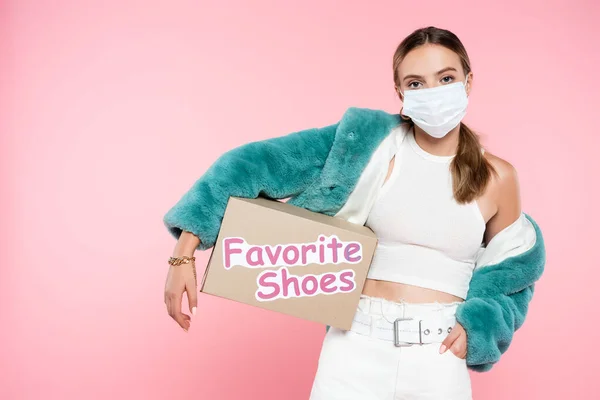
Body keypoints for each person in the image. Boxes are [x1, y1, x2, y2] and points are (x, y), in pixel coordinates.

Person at [162, 26, 546, 400]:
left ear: (467, 81)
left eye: (445, 77)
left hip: (439, 358)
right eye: (416, 83)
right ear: (400, 92)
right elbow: (256, 164)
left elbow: (512, 272)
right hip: (354, 350)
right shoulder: (365, 145)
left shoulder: (498, 177)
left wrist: (480, 331)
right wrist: (186, 247)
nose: (432, 92)